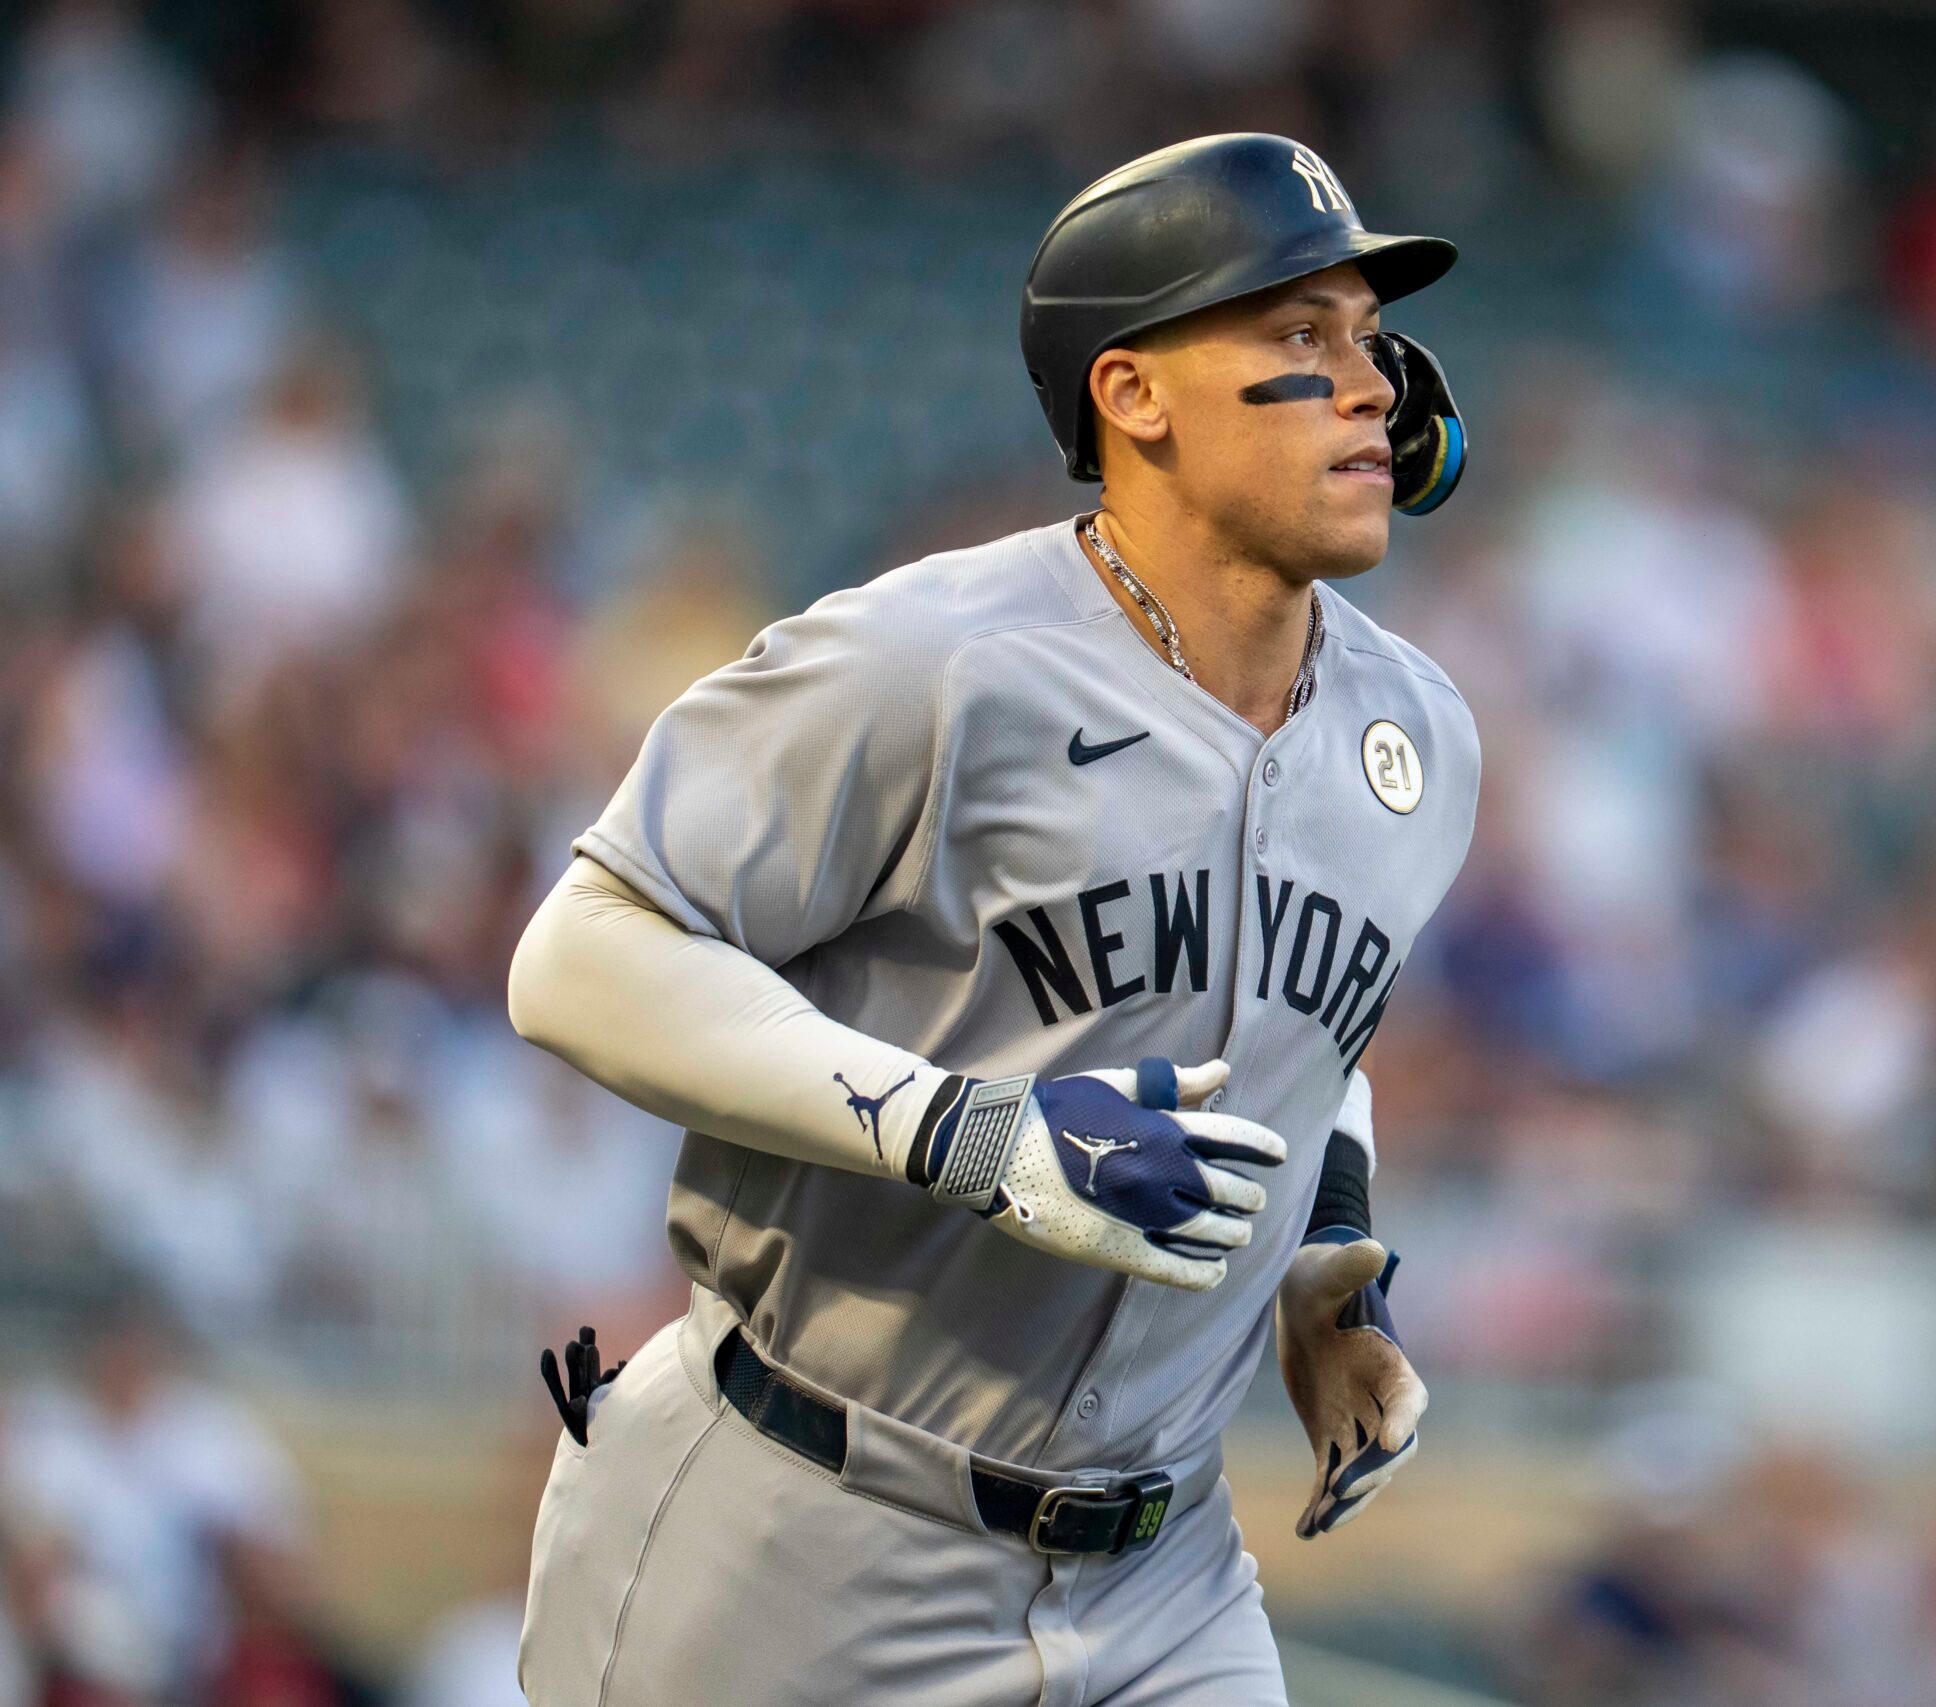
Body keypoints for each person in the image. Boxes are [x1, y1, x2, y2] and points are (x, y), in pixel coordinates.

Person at [505, 132, 1480, 1706]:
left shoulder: (1422, 735)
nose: (1373, 385)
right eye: (1302, 336)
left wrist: (1328, 1277)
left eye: (1373, 339)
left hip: (1168, 1576)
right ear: (1133, 393)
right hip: (804, 1525)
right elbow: (582, 954)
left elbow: (1313, 1041)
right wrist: (976, 1137)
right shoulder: (928, 662)